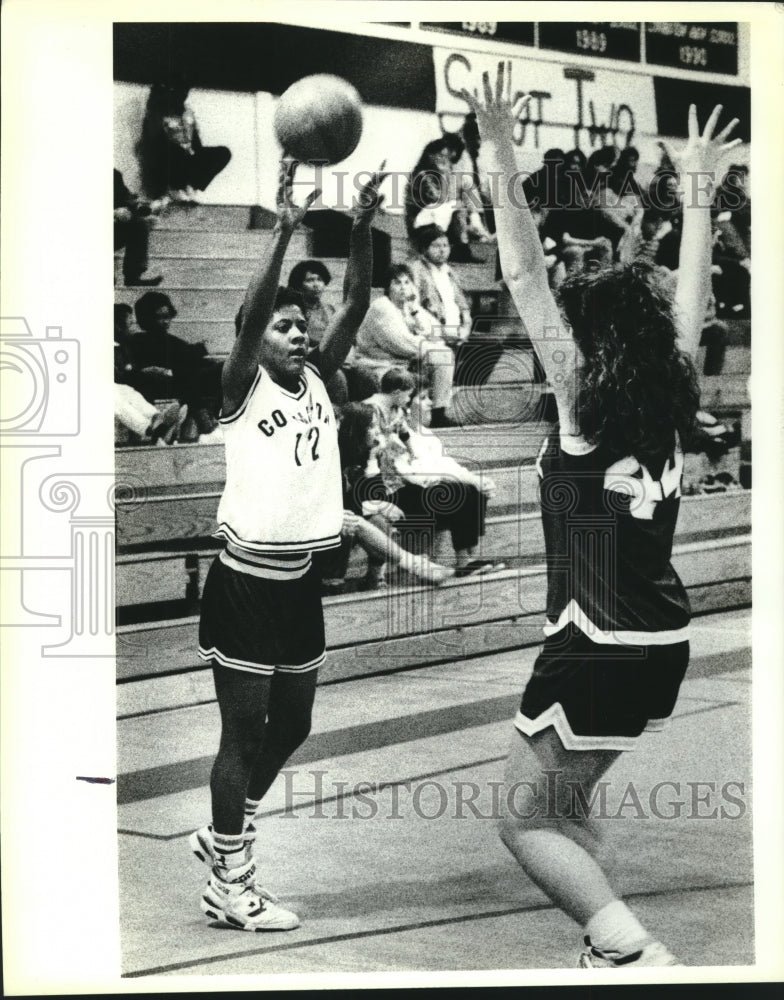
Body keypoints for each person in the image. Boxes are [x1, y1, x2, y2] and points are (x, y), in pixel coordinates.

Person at [463, 68, 739, 968]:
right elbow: (690, 293)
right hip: (661, 646)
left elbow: (523, 269)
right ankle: (604, 947)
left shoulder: (582, 399)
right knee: (569, 806)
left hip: (593, 641)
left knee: (519, 821)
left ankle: (629, 951)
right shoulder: (672, 390)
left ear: (589, 339)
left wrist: (498, 150)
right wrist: (698, 191)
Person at [189, 159, 386, 931]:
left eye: (303, 325)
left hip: (299, 582)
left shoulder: (320, 381)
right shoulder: (242, 385)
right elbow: (249, 313)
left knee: (295, 723)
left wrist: (363, 229)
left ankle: (222, 829)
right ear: (256, 336)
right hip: (244, 585)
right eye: (285, 324)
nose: (300, 332)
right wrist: (283, 230)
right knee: (241, 735)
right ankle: (229, 882)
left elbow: (361, 300)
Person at [357, 369, 504, 576]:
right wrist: (429, 478)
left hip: (409, 484)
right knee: (455, 491)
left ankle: (467, 559)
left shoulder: (405, 423)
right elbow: (396, 464)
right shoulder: (375, 415)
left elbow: (425, 458)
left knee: (469, 489)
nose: (429, 404)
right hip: (388, 488)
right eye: (421, 397)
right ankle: (463, 561)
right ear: (402, 396)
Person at [321, 402, 454, 592]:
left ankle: (375, 579)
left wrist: (372, 459)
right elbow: (342, 503)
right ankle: (416, 566)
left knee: (378, 521)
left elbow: (372, 495)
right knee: (358, 521)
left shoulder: (358, 454)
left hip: (338, 517)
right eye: (371, 426)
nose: (377, 432)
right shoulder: (328, 458)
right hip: (313, 525)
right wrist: (376, 505)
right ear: (356, 430)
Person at [351, 264, 457, 427]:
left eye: (407, 283)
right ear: (388, 287)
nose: (403, 288)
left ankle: (439, 413)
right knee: (440, 352)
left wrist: (414, 310)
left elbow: (435, 332)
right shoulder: (382, 306)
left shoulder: (409, 307)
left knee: (443, 355)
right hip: (377, 365)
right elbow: (401, 343)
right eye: (397, 283)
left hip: (405, 363)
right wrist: (431, 344)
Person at [129, 291, 221, 442]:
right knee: (192, 377)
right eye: (159, 317)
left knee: (217, 370)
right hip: (158, 385)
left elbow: (189, 358)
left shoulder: (173, 341)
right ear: (147, 319)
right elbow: (140, 370)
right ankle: (206, 426)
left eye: (167, 317)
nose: (165, 322)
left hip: (181, 380)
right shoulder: (137, 341)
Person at [137, 77, 231, 203]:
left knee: (223, 153)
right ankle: (175, 189)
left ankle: (190, 187)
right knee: (175, 151)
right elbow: (152, 147)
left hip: (186, 158)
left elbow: (196, 144)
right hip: (166, 163)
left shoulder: (186, 113)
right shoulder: (156, 113)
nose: (183, 97)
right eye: (179, 93)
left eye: (184, 93)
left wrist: (189, 134)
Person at [287, 259, 347, 408]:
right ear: (299, 284)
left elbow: (342, 337)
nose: (316, 284)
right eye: (310, 280)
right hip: (309, 358)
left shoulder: (329, 309)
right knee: (337, 376)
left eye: (319, 279)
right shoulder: (295, 311)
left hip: (335, 357)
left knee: (363, 373)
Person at [407, 224, 472, 344]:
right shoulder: (416, 270)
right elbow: (413, 306)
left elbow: (462, 304)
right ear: (425, 248)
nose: (442, 250)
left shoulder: (450, 272)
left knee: (493, 349)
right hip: (432, 334)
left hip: (457, 333)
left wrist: (466, 325)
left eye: (445, 246)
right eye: (436, 246)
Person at [114, 169, 163, 287]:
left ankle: (133, 277)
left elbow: (127, 200)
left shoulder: (113, 175)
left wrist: (146, 209)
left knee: (139, 224)